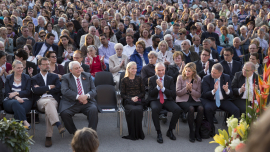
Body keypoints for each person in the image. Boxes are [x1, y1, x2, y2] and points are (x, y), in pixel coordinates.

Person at [32, 57, 66, 147]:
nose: (48, 66)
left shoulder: (54, 76)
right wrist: (49, 87)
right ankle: (58, 124)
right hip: (40, 101)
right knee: (47, 103)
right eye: (45, 64)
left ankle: (48, 137)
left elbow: (58, 89)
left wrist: (41, 89)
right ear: (39, 66)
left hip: (53, 100)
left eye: (48, 64)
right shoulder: (35, 78)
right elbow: (35, 91)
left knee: (49, 108)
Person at [201, 63, 240, 136]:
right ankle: (211, 129)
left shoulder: (226, 77)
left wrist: (227, 90)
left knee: (236, 110)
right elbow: (205, 94)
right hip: (211, 100)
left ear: (220, 73)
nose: (212, 73)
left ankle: (235, 131)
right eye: (212, 71)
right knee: (207, 108)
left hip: (223, 100)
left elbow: (231, 93)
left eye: (214, 73)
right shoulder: (206, 78)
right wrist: (214, 91)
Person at [60, 61, 98, 134]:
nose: (79, 70)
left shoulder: (87, 76)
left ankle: (91, 133)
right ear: (71, 70)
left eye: (79, 67)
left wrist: (86, 96)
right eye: (76, 68)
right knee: (64, 113)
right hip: (71, 102)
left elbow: (94, 90)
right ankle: (75, 133)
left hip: (87, 102)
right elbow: (65, 91)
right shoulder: (66, 77)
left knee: (93, 109)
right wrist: (79, 97)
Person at [148, 62, 181, 143]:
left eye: (162, 70)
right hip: (156, 100)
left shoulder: (169, 79)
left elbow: (172, 93)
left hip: (167, 100)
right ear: (155, 70)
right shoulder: (151, 79)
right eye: (159, 70)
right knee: (155, 109)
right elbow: (151, 94)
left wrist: (162, 88)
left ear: (165, 69)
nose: (161, 72)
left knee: (178, 109)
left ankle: (170, 130)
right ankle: (158, 132)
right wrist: (157, 87)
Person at [176, 62, 203, 142]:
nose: (186, 72)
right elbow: (178, 93)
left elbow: (198, 94)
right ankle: (191, 131)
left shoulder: (198, 79)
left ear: (193, 72)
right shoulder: (180, 77)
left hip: (194, 99)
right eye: (186, 70)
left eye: (189, 71)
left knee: (201, 108)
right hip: (182, 100)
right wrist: (186, 89)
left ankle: (197, 131)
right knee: (191, 109)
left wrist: (191, 90)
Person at [3, 60, 32, 129]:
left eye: (21, 67)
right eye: (18, 68)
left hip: (25, 100)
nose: (20, 69)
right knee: (15, 103)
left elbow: (28, 92)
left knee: (17, 111)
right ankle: (25, 121)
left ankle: (15, 133)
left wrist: (16, 93)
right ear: (13, 68)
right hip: (10, 101)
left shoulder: (27, 77)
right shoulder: (8, 78)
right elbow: (7, 93)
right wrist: (16, 98)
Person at [120, 61, 145, 140]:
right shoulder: (124, 80)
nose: (135, 70)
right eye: (132, 68)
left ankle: (139, 133)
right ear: (128, 69)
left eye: (136, 68)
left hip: (138, 100)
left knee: (138, 110)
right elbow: (122, 94)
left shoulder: (139, 78)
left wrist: (136, 97)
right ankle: (132, 134)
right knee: (132, 110)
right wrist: (131, 98)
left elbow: (143, 92)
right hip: (128, 100)